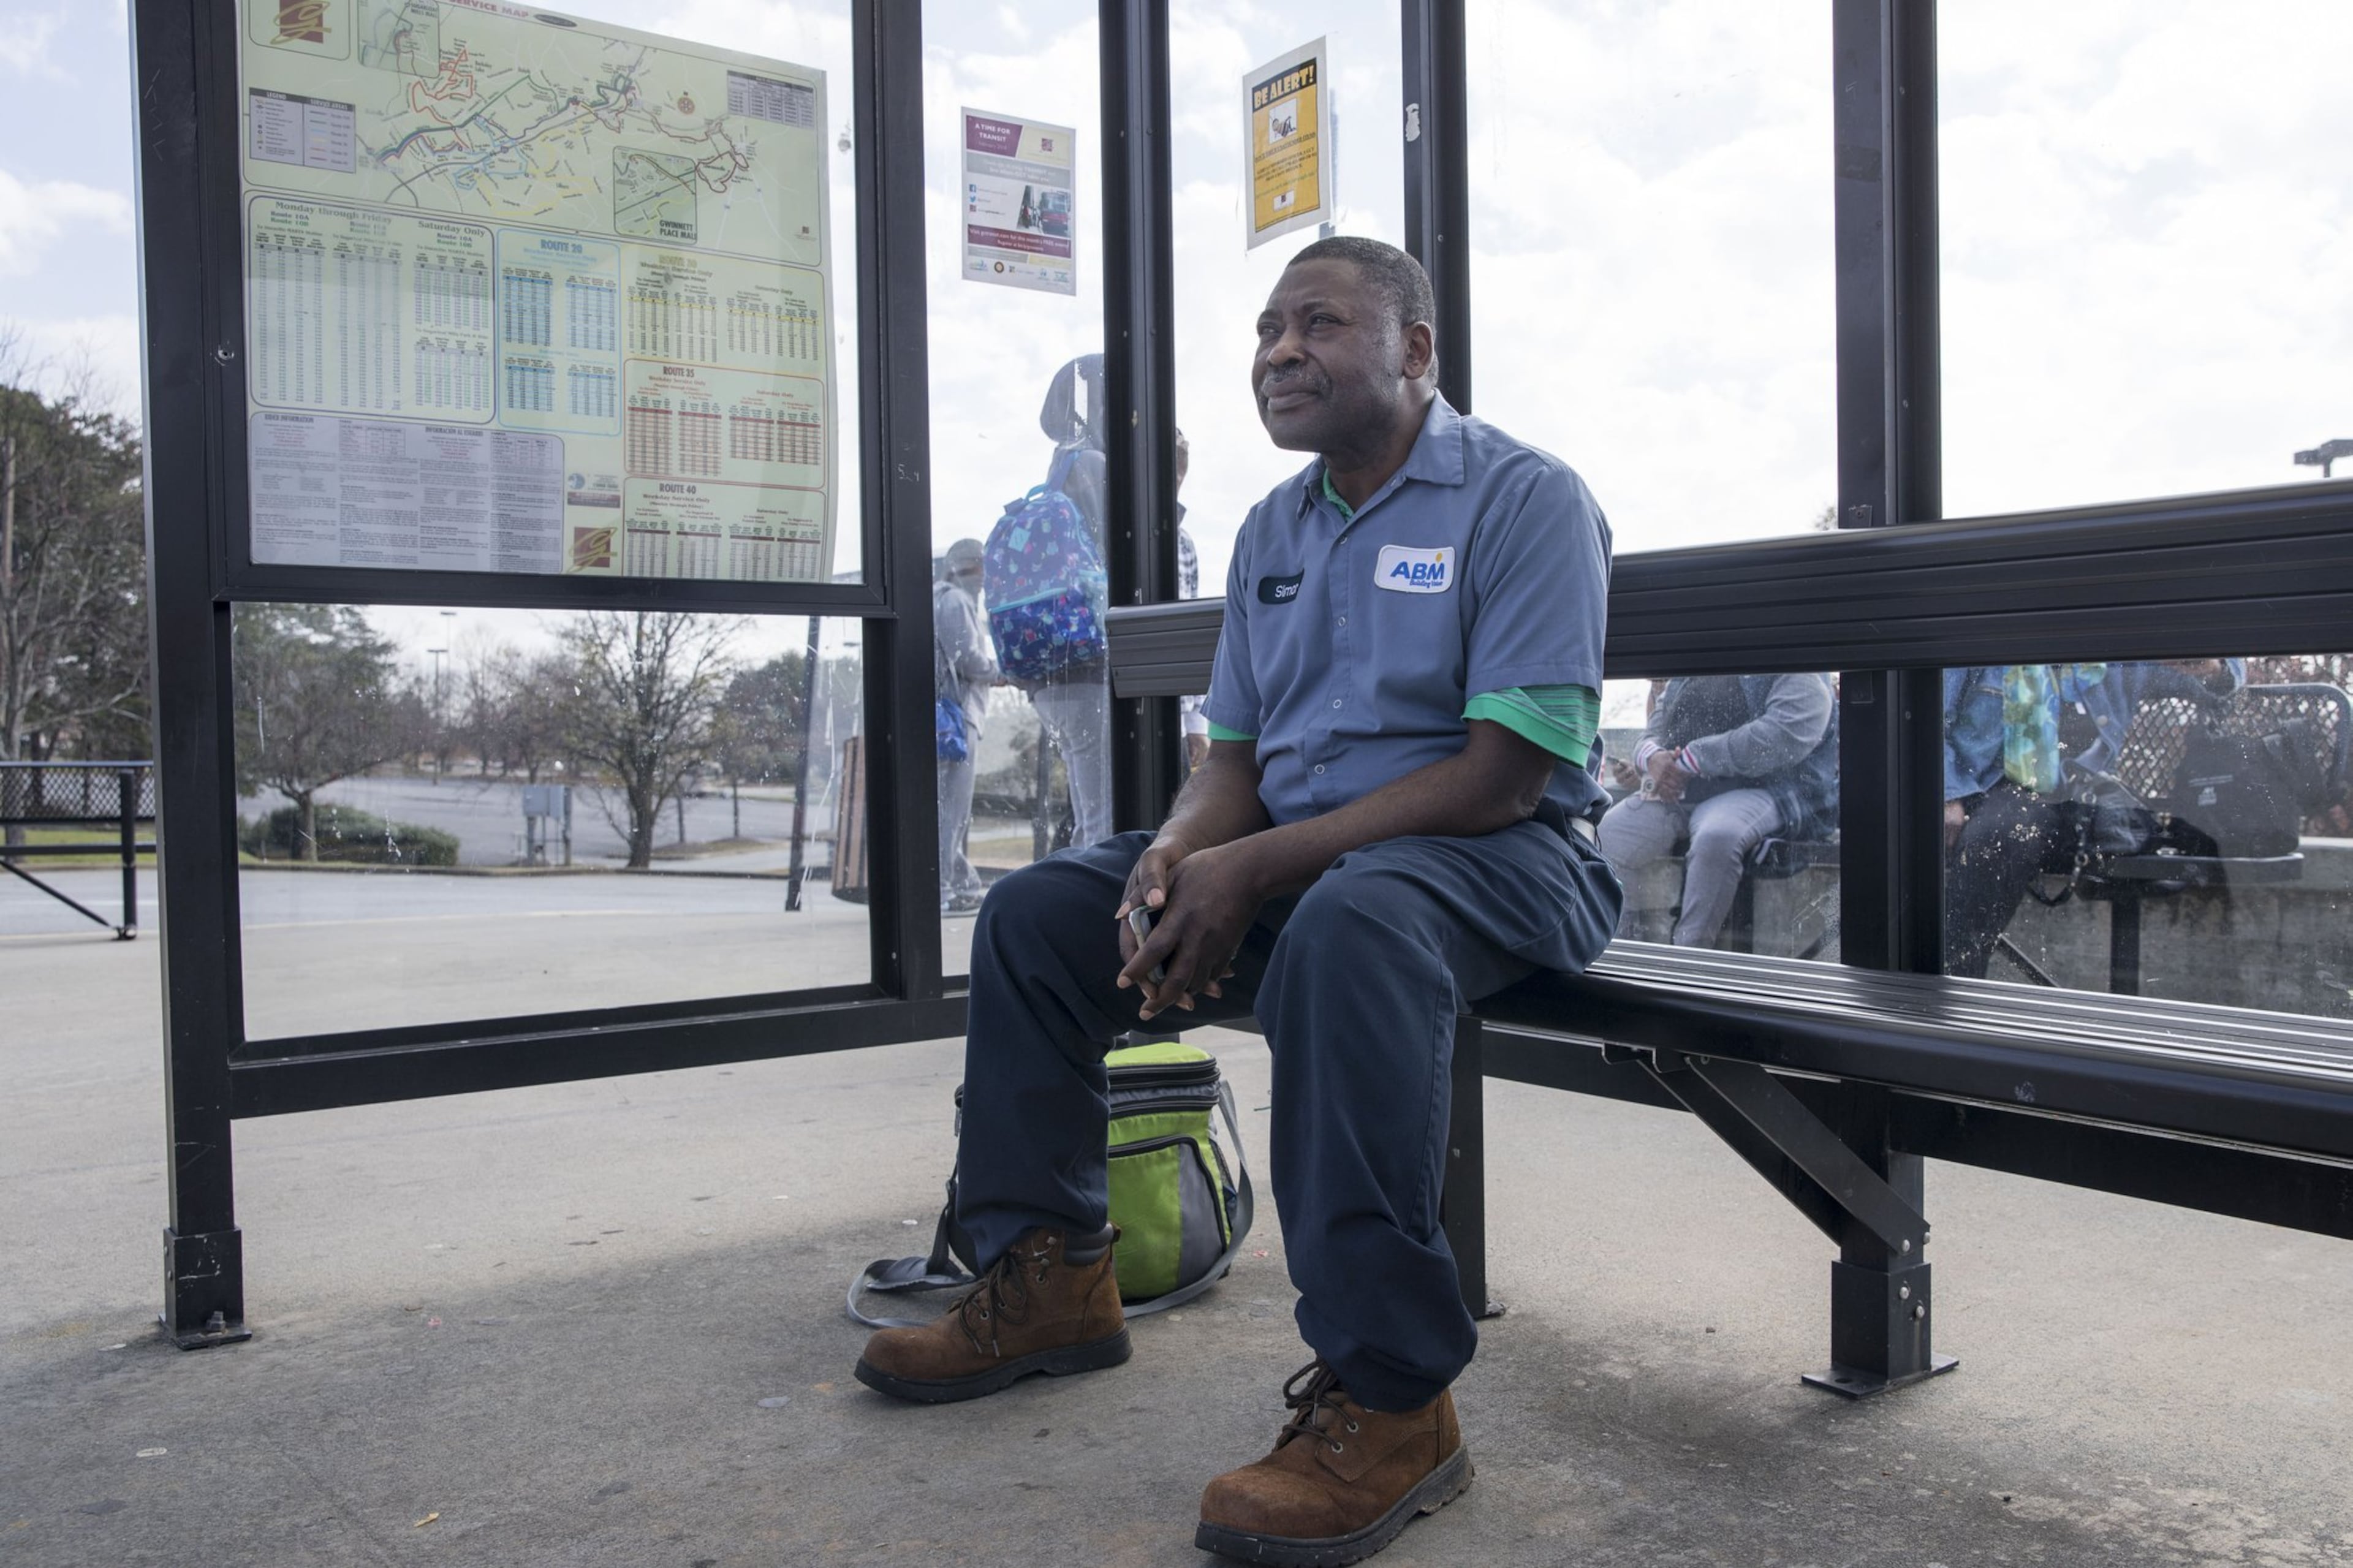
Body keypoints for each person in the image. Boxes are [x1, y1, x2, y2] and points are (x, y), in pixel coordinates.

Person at [855, 237, 1623, 1564]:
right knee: (1043, 912)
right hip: (1326, 867)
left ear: (1416, 352)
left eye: (1319, 324)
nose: (1280, 351)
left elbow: (1504, 776)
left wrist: (1259, 863)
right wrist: (1176, 854)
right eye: (1268, 328)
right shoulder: (1278, 528)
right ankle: (1051, 1275)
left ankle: (1393, 1397)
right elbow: (1235, 766)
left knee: (1352, 923)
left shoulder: (1523, 498)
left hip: (1508, 860)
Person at [1944, 659, 2241, 979]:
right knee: (2001, 833)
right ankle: (1957, 981)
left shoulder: (2119, 652)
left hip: (2087, 796)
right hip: (1999, 790)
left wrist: (2217, 668)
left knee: (2146, 839)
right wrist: (1948, 791)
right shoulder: (1990, 640)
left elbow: (2216, 687)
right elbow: (1929, 715)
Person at [1597, 673, 1838, 947]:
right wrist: (1653, 758)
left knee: (1718, 836)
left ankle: (1689, 958)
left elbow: (1787, 732)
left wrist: (1691, 761)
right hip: (1684, 791)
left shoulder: (1794, 661)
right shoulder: (1691, 666)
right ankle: (1617, 949)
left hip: (1766, 789)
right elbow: (1655, 729)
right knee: (1608, 834)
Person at [1026, 354, 1117, 849]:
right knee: (1102, 817)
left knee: (1088, 809)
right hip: (1086, 662)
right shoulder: (1092, 465)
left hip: (1050, 669)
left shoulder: (1060, 465)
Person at [935, 539, 999, 914]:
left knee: (944, 806)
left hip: (945, 717)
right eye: (982, 568)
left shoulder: (935, 596)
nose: (986, 578)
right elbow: (969, 659)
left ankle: (959, 881)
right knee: (952, 809)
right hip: (956, 719)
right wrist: (998, 672)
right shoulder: (955, 600)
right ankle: (943, 889)